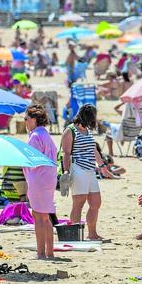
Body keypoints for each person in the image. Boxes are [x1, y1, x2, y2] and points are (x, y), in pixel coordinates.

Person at [61, 104, 103, 240]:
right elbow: (66, 153)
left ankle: (92, 234)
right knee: (78, 203)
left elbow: (94, 150)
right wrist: (66, 171)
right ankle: (75, 235)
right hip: (78, 168)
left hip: (91, 169)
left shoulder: (88, 130)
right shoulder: (70, 130)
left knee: (96, 203)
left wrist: (102, 166)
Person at [23, 104, 58, 259]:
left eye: (26, 119)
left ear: (34, 119)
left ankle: (41, 253)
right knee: (45, 217)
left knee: (38, 216)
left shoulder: (35, 136)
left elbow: (33, 160)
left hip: (39, 178)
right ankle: (49, 252)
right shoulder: (46, 135)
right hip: (48, 178)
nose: (24, 122)